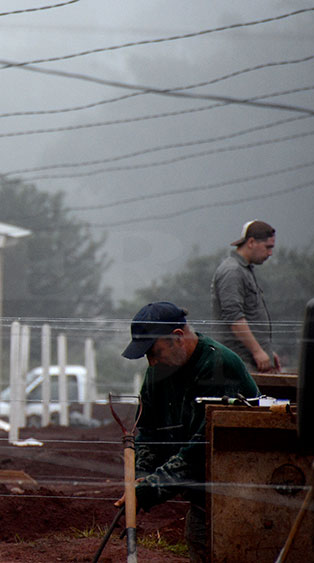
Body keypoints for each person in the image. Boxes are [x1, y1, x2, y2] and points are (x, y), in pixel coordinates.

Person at [117, 301, 259, 562]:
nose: (151, 362)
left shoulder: (219, 365)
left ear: (177, 338)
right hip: (201, 499)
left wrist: (150, 490)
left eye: (154, 352)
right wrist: (142, 475)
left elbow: (201, 449)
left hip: (242, 497)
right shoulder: (157, 374)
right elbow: (149, 430)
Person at [211, 220, 280, 373]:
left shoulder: (244, 270)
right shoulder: (232, 271)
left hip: (250, 362)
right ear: (251, 242)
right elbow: (234, 318)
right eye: (267, 247)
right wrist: (257, 351)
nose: (270, 253)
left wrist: (266, 351)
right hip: (239, 363)